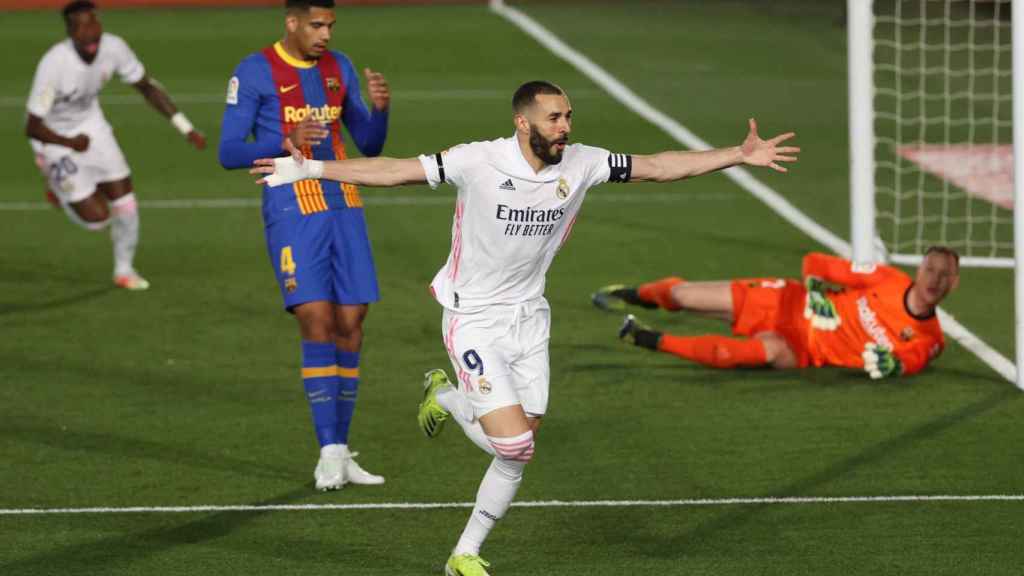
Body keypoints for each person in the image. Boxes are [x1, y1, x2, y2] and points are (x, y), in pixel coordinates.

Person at [249, 80, 798, 575]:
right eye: (554, 118)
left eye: (568, 117)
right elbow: (395, 170)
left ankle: (460, 521)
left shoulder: (583, 162)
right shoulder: (478, 160)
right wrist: (312, 168)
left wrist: (737, 156)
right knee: (513, 447)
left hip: (530, 318)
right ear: (522, 122)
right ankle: (460, 507)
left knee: (520, 439)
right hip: (473, 319)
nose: (565, 127)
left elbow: (658, 164)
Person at [218, 0, 391, 492]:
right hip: (292, 207)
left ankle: (341, 447)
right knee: (316, 317)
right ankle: (328, 450)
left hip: (344, 199)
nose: (325, 35)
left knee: (352, 321)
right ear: (291, 23)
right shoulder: (254, 71)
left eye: (330, 26)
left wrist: (380, 109)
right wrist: (282, 139)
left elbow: (369, 144)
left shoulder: (339, 68)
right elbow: (229, 151)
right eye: (316, 25)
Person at [25, 0, 206, 291]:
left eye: (93, 23)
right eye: (81, 26)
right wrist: (70, 142)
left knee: (126, 204)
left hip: (91, 126)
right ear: (69, 31)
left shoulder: (113, 48)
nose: (90, 32)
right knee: (97, 218)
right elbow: (32, 126)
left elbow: (146, 86)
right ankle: (56, 184)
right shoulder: (54, 65)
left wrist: (185, 127)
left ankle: (124, 270)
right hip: (53, 136)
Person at [593, 247, 959, 379]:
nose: (935, 279)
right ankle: (635, 295)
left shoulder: (930, 339)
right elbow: (816, 262)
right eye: (931, 270)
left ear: (953, 283)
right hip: (786, 300)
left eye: (944, 275)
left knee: (732, 353)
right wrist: (816, 292)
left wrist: (894, 365)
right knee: (680, 294)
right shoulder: (887, 279)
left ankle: (645, 337)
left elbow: (911, 359)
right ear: (919, 269)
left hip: (802, 350)